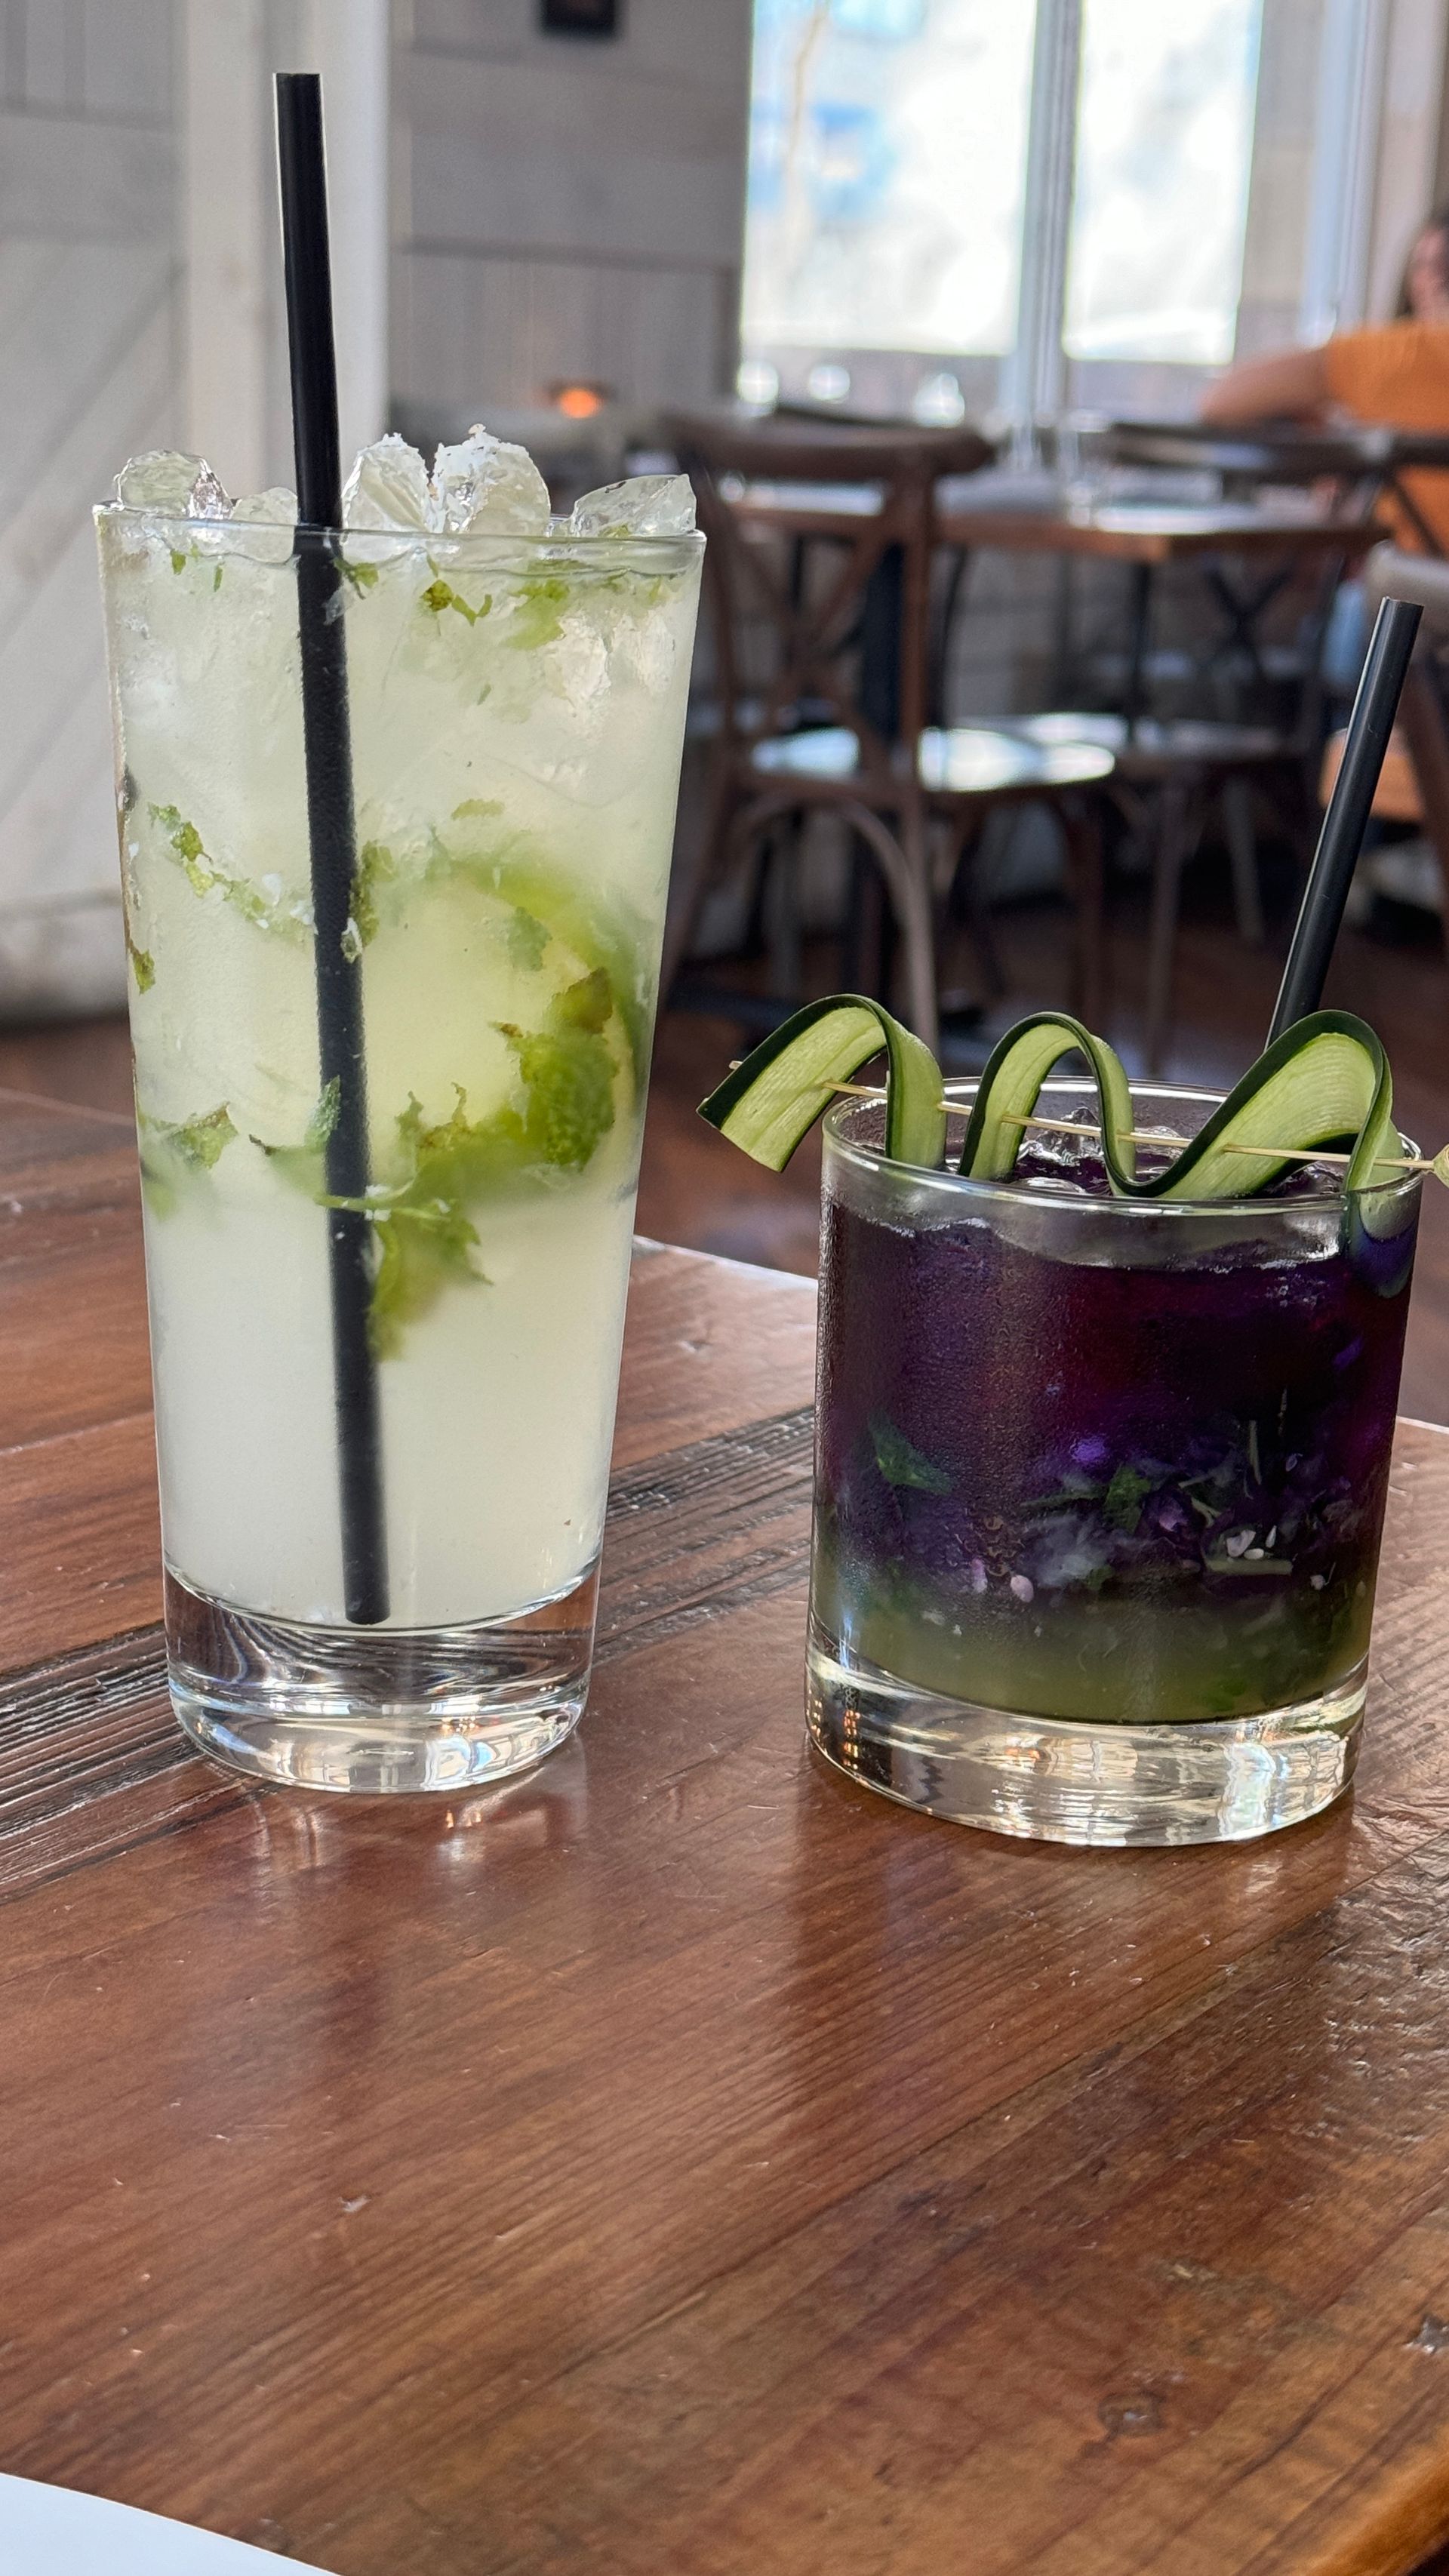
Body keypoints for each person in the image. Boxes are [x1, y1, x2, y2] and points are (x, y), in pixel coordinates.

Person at [1200, 207, 1449, 552]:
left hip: (1411, 589)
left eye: (1435, 265)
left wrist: (1342, 439)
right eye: (1420, 264)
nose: (1429, 278)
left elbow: (1220, 399)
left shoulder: (1398, 355)